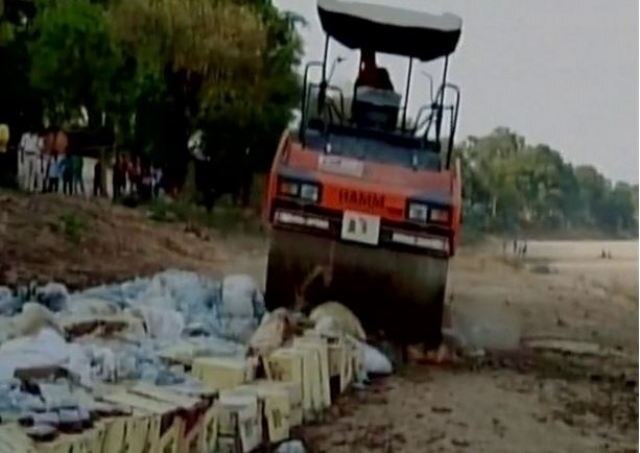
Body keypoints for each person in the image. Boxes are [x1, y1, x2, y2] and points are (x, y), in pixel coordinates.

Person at [18, 127, 43, 192]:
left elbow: (40, 147)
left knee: (33, 172)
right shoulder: (25, 136)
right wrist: (21, 157)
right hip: (26, 154)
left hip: (34, 155)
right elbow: (22, 146)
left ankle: (31, 188)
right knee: (26, 171)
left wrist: (38, 140)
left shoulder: (37, 137)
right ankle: (26, 187)